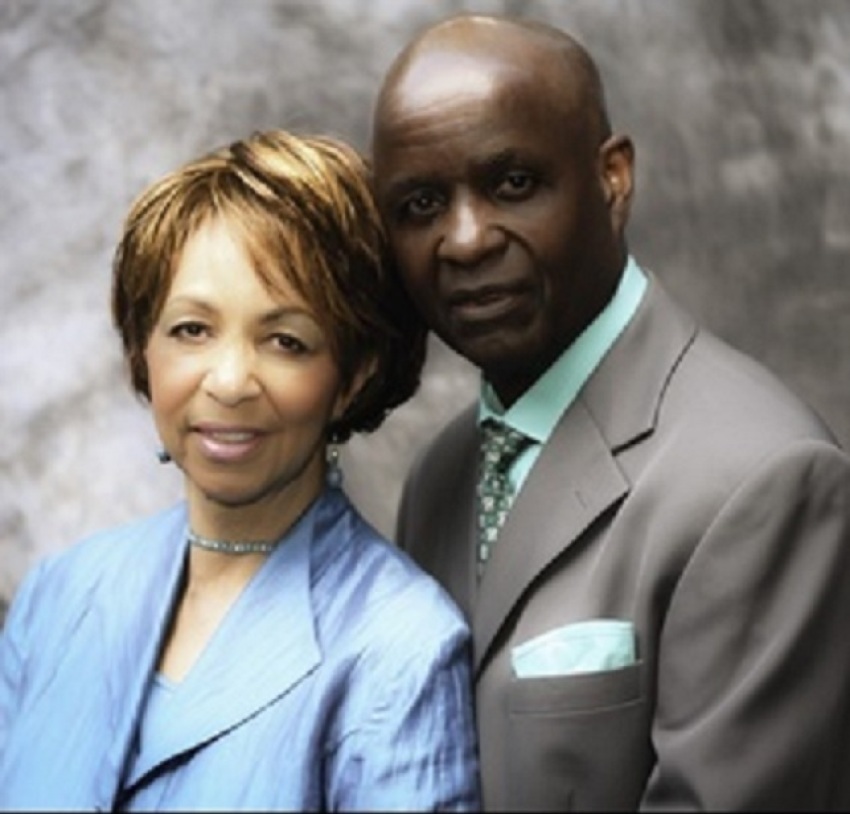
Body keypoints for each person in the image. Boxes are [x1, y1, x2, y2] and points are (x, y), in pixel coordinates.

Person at [370, 12, 850, 811]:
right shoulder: (442, 475)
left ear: (613, 179)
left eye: (512, 184)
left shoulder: (764, 480)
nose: (463, 241)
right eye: (420, 205)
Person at [0, 129, 481, 811]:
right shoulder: (59, 594)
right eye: (191, 329)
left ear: (352, 376)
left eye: (286, 341)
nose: (229, 382)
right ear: (144, 348)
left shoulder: (400, 650)